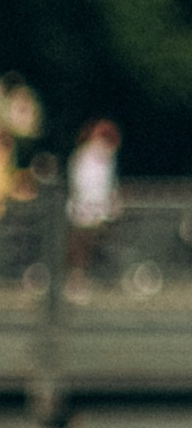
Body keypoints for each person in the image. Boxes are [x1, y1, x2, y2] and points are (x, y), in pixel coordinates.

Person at [64, 119, 120, 299]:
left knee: (90, 248)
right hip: (84, 210)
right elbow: (80, 184)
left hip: (99, 211)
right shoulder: (83, 157)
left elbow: (108, 185)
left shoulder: (107, 160)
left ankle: (89, 280)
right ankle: (75, 282)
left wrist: (111, 203)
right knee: (80, 250)